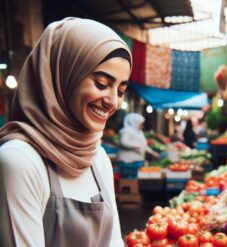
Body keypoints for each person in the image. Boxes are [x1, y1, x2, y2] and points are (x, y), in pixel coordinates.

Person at [0, 17, 132, 246]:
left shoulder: (97, 158)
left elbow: (113, 241)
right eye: (101, 84)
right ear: (63, 75)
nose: (113, 102)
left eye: (120, 90)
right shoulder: (20, 161)